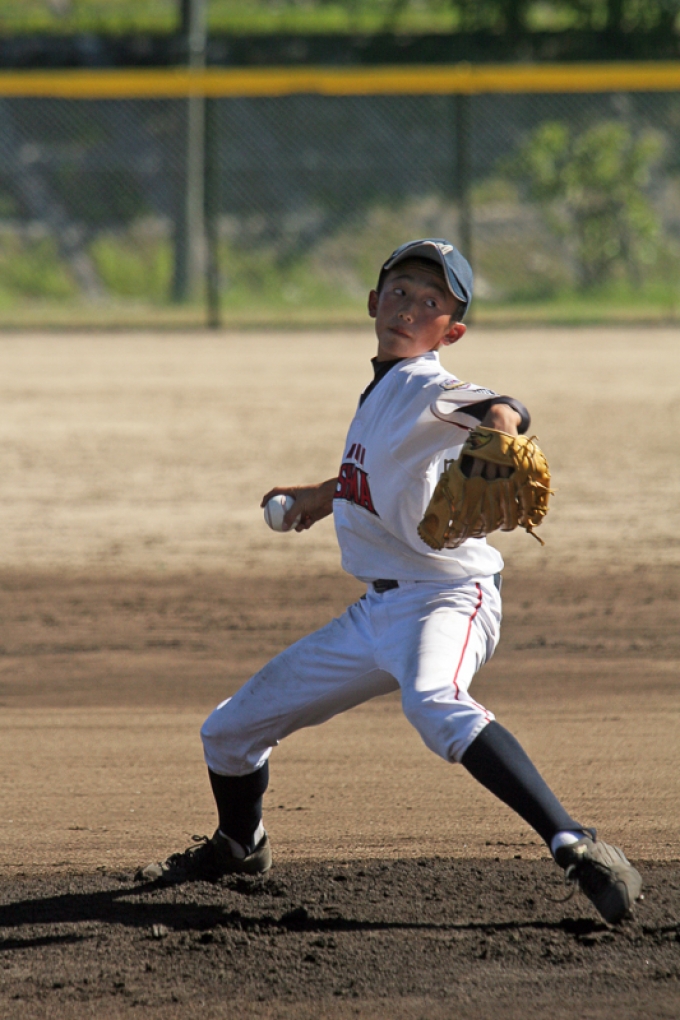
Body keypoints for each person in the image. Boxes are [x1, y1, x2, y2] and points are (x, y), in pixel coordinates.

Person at [139, 239, 642, 924]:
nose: (410, 308)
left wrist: (501, 427)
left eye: (432, 302)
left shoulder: (425, 385)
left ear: (451, 332)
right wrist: (323, 495)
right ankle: (238, 846)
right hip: (375, 615)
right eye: (400, 292)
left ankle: (576, 843)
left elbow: (501, 406)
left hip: (446, 600)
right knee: (228, 731)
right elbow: (380, 472)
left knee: (435, 702)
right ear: (374, 303)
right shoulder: (384, 390)